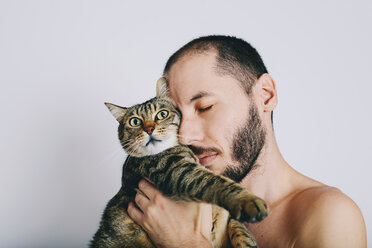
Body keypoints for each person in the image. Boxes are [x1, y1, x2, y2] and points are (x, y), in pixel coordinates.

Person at [127, 35, 367, 247]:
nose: (186, 136)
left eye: (205, 107)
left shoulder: (330, 215)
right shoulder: (164, 210)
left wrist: (187, 244)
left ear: (265, 95)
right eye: (177, 116)